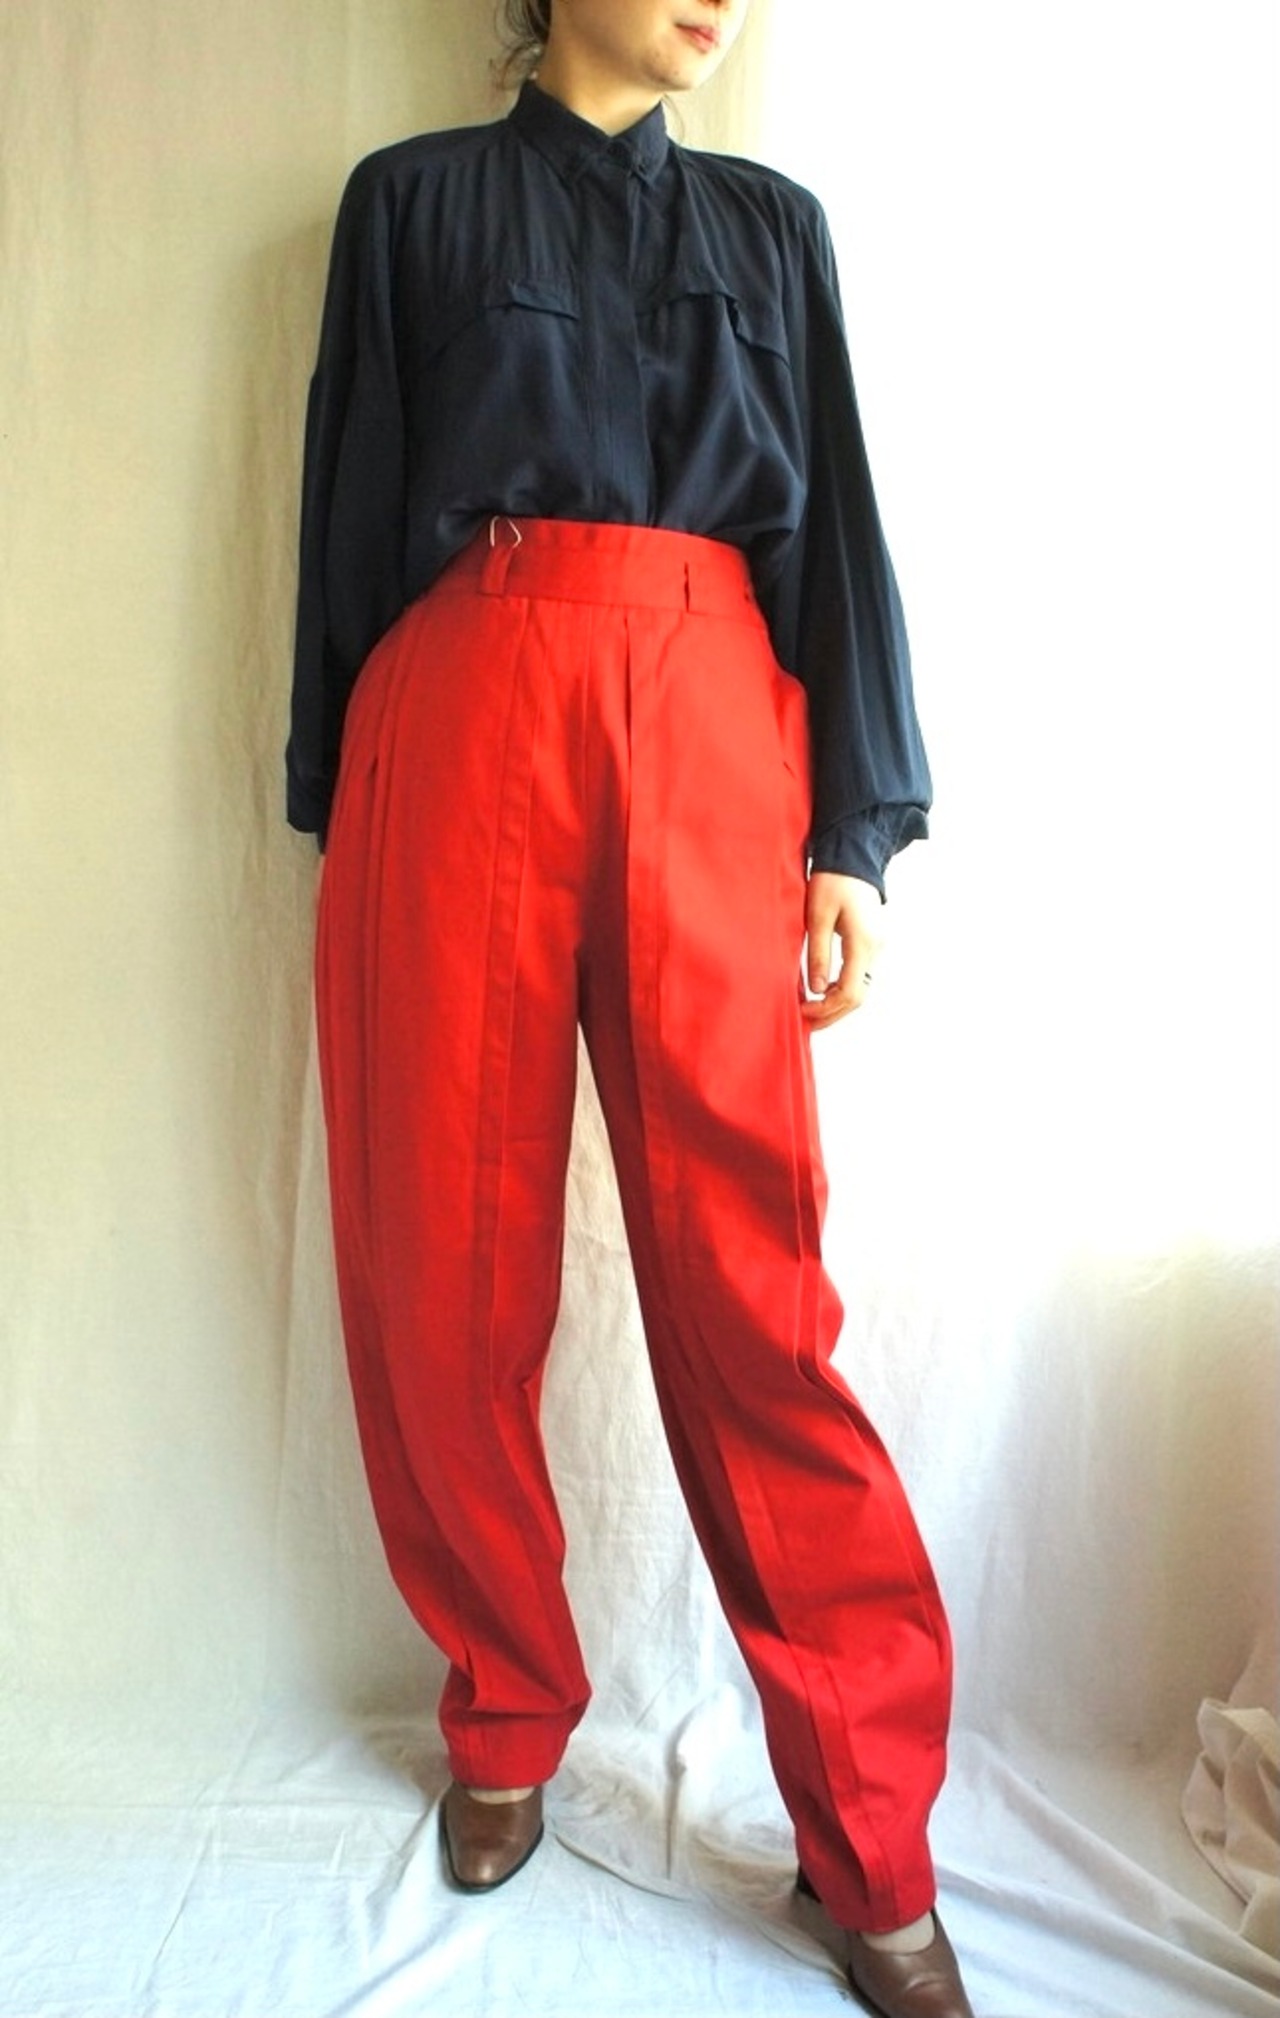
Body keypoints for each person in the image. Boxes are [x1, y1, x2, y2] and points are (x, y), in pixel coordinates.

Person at [286, 4, 973, 2014]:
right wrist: (348, 798)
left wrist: (853, 831)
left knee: (751, 1284)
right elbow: (348, 510)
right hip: (458, 706)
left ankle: (869, 1827)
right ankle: (504, 1704)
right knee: (443, 1256)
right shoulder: (410, 205)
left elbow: (835, 527)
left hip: (708, 724)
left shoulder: (770, 227)